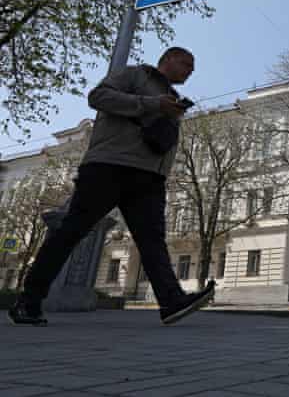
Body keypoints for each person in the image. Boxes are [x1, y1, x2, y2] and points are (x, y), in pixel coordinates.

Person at [8, 47, 215, 326]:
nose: (191, 70)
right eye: (186, 63)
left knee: (152, 240)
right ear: (166, 59)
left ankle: (171, 301)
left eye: (193, 67)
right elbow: (98, 97)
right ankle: (28, 301)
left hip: (149, 177)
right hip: (109, 166)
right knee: (70, 232)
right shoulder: (134, 75)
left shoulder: (173, 98)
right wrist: (153, 105)